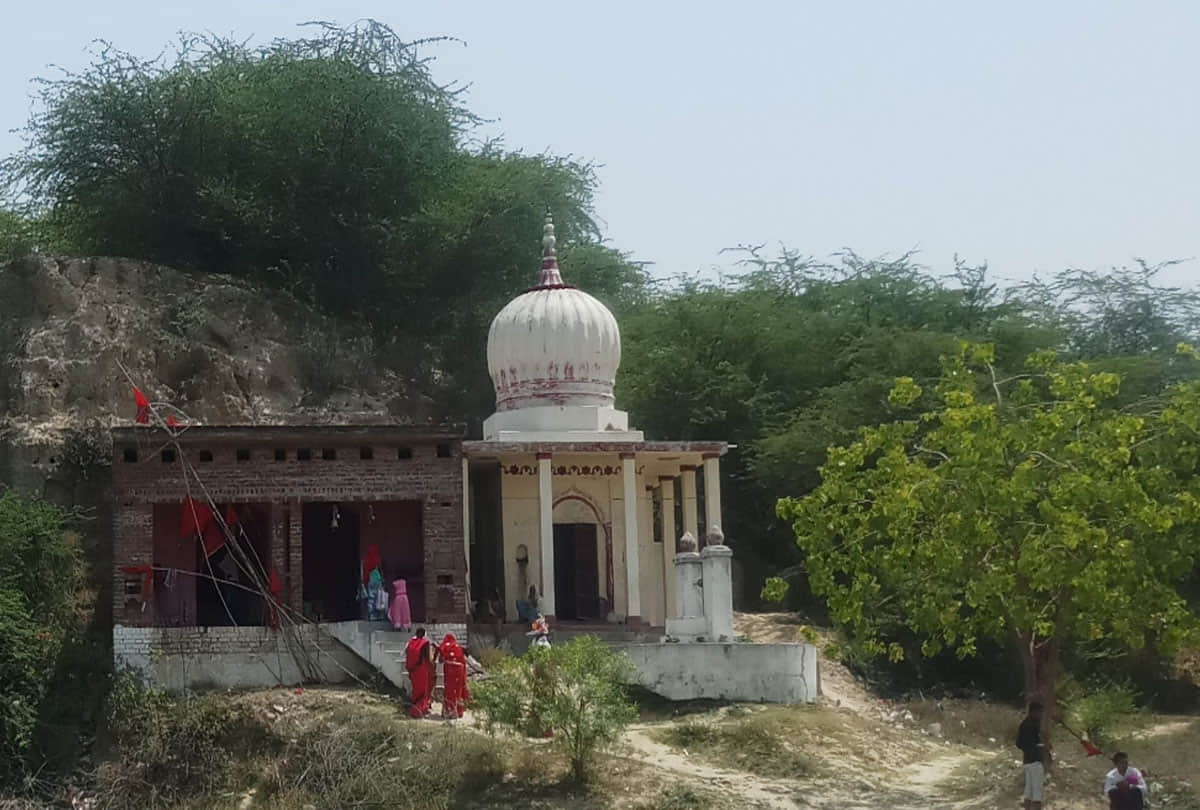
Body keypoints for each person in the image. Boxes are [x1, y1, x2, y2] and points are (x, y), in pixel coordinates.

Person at [1015, 701, 1049, 810]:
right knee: (1037, 793)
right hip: (1035, 761)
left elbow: (1018, 743)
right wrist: (1043, 746)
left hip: (1027, 761)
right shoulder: (1031, 725)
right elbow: (1035, 744)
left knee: (1028, 792)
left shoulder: (1024, 724)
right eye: (1040, 712)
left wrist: (1028, 749)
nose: (1041, 715)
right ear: (1034, 712)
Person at [438, 633, 470, 719]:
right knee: (458, 690)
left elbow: (440, 660)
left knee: (449, 689)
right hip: (459, 670)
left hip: (449, 669)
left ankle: (448, 711)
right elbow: (464, 658)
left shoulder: (444, 646)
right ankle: (458, 711)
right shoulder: (458, 647)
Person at [405, 628, 435, 718]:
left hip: (412, 670)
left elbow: (406, 653)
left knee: (415, 691)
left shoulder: (410, 642)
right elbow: (429, 659)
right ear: (424, 634)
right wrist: (432, 665)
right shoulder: (425, 643)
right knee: (422, 691)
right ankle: (420, 711)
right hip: (421, 670)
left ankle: (414, 710)